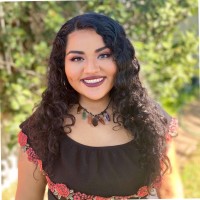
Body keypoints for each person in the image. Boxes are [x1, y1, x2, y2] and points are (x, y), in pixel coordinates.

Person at [15, 12, 182, 200]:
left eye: (103, 55)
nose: (92, 69)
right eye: (77, 58)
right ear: (62, 66)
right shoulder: (41, 129)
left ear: (120, 60)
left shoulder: (152, 120)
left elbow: (171, 194)